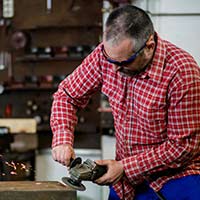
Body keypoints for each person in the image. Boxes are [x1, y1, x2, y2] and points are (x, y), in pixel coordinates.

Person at [50, 5, 200, 200]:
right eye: (110, 60)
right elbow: (67, 95)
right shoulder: (106, 56)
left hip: (177, 177)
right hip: (126, 181)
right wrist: (62, 138)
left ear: (149, 45)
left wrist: (125, 167)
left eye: (124, 62)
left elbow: (183, 146)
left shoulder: (181, 72)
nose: (115, 69)